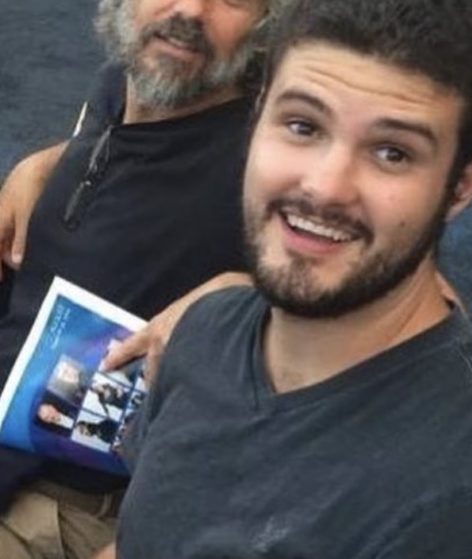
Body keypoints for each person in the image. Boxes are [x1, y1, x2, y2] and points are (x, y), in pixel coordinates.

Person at [112, 0, 472, 556]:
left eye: (392, 153)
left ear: (463, 185)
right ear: (257, 117)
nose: (325, 187)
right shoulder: (203, 330)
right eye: (302, 125)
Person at [0, 0, 281, 557]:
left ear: (267, 22)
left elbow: (415, 315)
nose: (192, 10)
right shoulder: (123, 84)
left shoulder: (271, 167)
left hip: (58, 504)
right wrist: (39, 166)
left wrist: (246, 298)